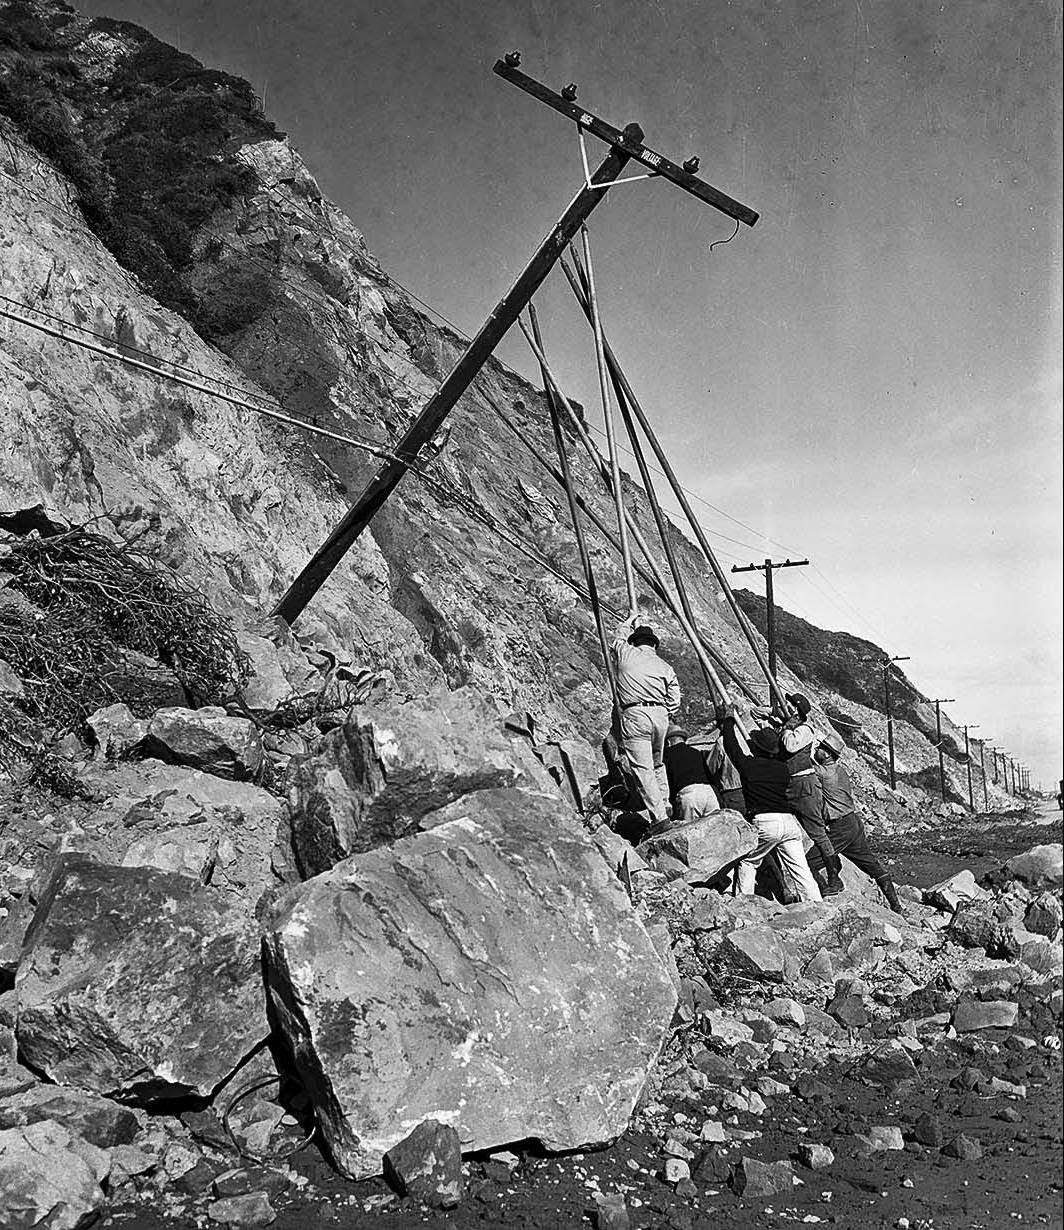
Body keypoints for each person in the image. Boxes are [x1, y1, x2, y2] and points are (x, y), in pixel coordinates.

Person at [720, 704, 822, 902]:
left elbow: (731, 748)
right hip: (789, 823)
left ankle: (744, 904)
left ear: (756, 748)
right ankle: (816, 903)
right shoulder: (782, 768)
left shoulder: (750, 766)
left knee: (749, 862)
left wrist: (728, 721)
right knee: (800, 869)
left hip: (765, 822)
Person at [813, 732, 903, 913]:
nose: (817, 749)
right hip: (853, 821)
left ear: (829, 755)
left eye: (821, 748)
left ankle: (829, 887)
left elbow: (800, 763)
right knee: (870, 864)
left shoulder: (823, 773)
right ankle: (896, 905)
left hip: (840, 826)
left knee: (809, 861)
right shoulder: (839, 770)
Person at [610, 614, 681, 827]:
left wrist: (629, 620)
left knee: (644, 769)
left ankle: (660, 819)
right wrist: (663, 711)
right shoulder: (665, 666)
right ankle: (665, 804)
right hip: (660, 715)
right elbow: (675, 700)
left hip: (636, 713)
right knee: (658, 763)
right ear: (654, 645)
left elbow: (616, 639)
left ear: (635, 641)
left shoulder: (626, 653)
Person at [780, 692, 843, 895]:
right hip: (791, 783)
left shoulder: (805, 729)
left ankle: (834, 875)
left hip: (804, 785)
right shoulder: (790, 726)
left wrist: (787, 727)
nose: (786, 707)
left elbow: (790, 747)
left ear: (797, 710)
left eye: (790, 705)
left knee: (817, 831)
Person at [663, 725, 720, 823]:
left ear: (668, 742)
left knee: (689, 831)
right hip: (708, 792)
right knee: (716, 828)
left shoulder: (666, 756)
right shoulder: (696, 752)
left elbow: (667, 782)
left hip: (689, 794)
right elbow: (710, 775)